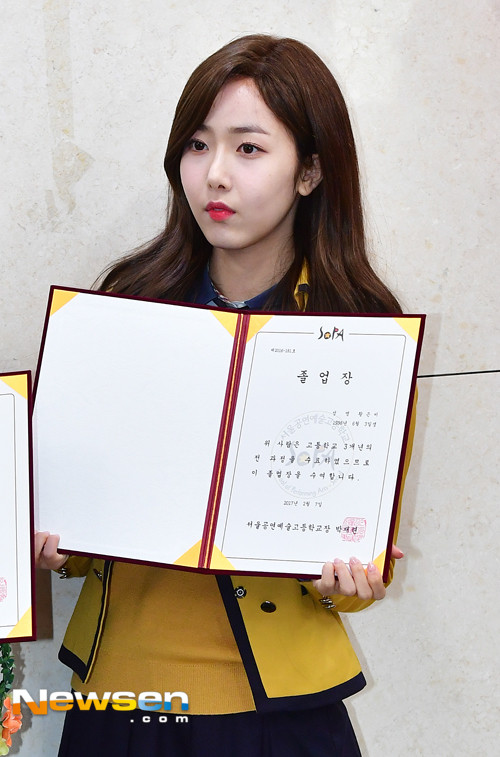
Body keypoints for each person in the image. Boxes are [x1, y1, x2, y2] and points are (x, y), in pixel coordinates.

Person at [36, 34, 413, 756]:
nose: (214, 174)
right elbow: (78, 528)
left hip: (283, 715)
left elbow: (360, 560)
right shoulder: (123, 307)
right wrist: (55, 542)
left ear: (310, 171)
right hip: (122, 701)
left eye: (248, 149)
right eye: (198, 144)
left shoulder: (363, 331)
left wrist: (351, 577)